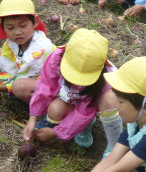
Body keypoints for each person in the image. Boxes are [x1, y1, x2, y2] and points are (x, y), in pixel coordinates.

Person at [23, 28, 122, 157]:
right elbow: (45, 87)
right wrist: (33, 118)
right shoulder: (56, 58)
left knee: (107, 100)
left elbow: (86, 111)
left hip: (93, 105)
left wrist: (55, 133)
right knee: (55, 109)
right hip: (71, 99)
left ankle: (107, 142)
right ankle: (76, 125)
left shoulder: (105, 79)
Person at [0, 0, 55, 102]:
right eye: (10, 28)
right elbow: (16, 74)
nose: (17, 32)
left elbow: (24, 79)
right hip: (28, 77)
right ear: (3, 27)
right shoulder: (13, 43)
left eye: (23, 26)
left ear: (35, 21)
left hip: (50, 83)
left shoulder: (41, 49)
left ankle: (43, 108)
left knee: (20, 87)